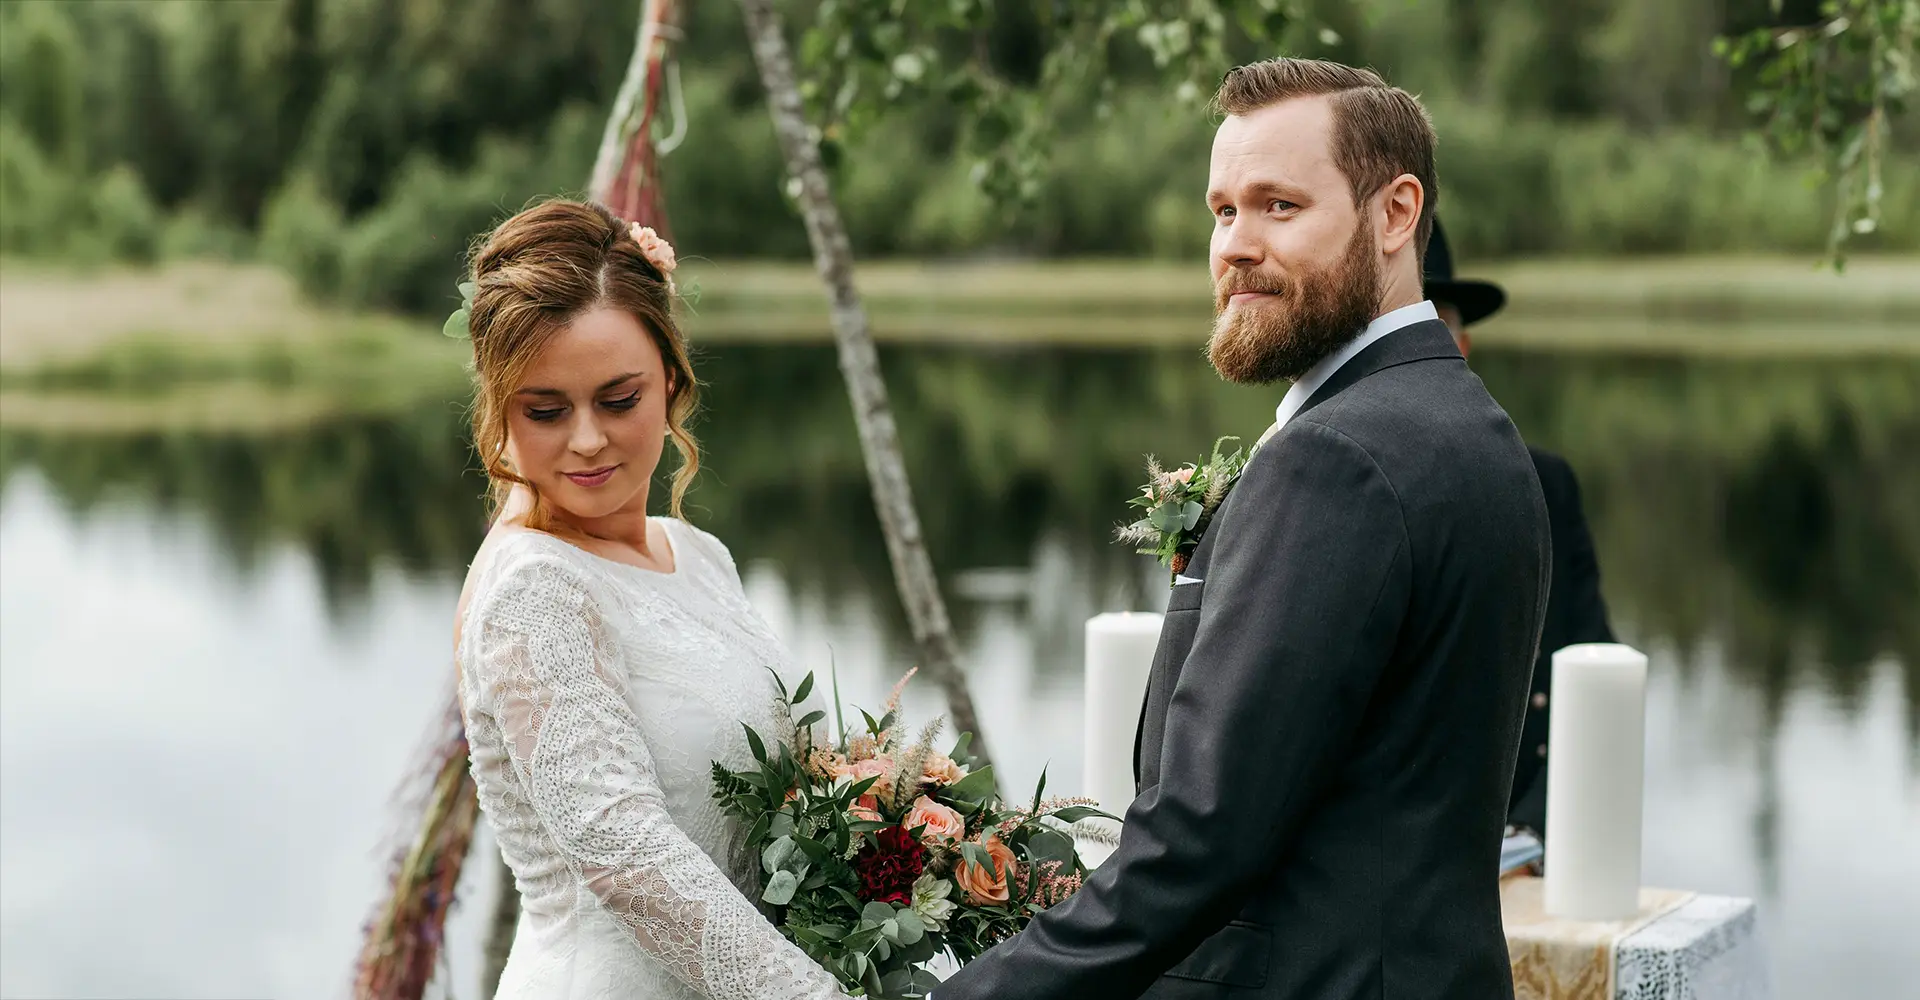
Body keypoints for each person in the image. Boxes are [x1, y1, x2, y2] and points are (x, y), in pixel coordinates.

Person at [932, 57, 1549, 1000]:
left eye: (1279, 207)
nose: (1234, 245)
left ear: (1394, 213)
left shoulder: (1337, 457)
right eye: (1223, 211)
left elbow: (1204, 838)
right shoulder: (1476, 425)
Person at [448, 198, 851, 1000]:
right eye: (546, 410)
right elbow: (624, 851)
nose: (588, 438)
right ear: (501, 411)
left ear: (669, 380)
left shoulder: (698, 555)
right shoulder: (534, 587)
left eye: (619, 399)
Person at [1423, 218, 1618, 839]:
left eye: (1434, 330)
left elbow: (1594, 670)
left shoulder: (1545, 485)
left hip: (1521, 845)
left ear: (1462, 348)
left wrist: (1534, 833)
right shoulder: (1310, 480)